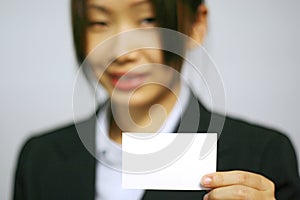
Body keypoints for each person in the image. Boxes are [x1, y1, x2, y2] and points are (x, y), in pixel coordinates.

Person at [13, 0, 300, 199]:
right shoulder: (40, 159)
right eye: (99, 22)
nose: (122, 51)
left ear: (196, 24)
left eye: (148, 19)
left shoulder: (259, 157)